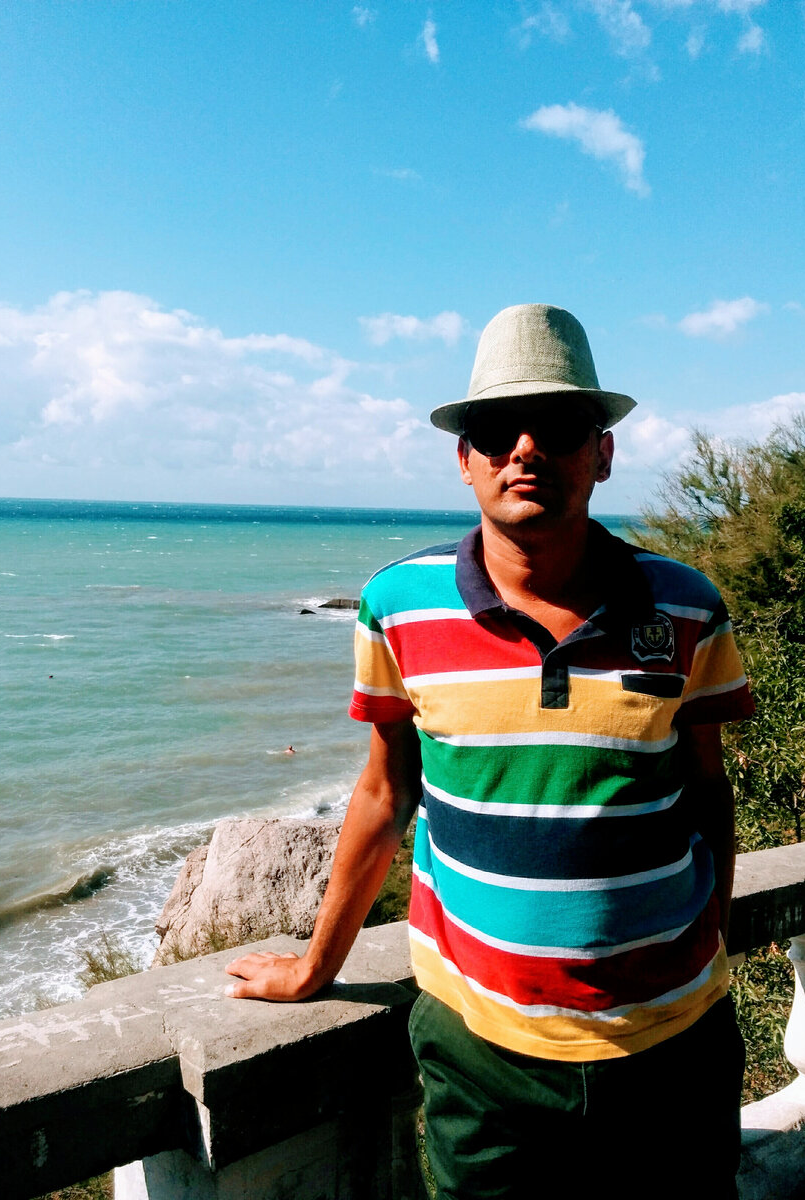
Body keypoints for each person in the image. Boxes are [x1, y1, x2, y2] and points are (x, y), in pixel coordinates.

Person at [225, 304, 753, 1199]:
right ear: (464, 458)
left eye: (558, 426)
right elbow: (385, 793)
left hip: (675, 1047)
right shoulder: (398, 606)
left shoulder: (687, 607)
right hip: (481, 1057)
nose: (525, 449)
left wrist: (710, 941)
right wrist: (318, 964)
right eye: (497, 431)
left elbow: (708, 792)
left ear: (602, 453)